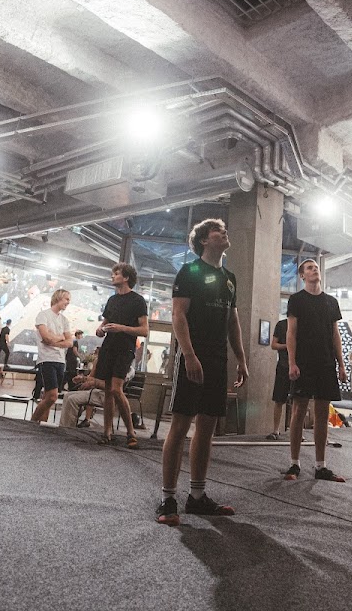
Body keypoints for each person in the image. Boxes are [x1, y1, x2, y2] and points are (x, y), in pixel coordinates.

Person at [156, 219, 248, 525]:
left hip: (218, 359)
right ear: (205, 241)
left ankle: (196, 497)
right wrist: (190, 355)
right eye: (218, 231)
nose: (224, 233)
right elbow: (178, 316)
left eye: (224, 229)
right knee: (181, 425)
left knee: (207, 429)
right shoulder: (190, 271)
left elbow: (232, 321)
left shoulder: (230, 277)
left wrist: (242, 359)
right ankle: (168, 498)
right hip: (193, 358)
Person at [283, 259, 347, 483]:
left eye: (316, 267)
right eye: (309, 268)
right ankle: (294, 463)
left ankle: (321, 466)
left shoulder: (331, 302)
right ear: (302, 275)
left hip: (326, 363)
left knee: (322, 414)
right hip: (304, 362)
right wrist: (292, 362)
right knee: (298, 412)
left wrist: (341, 363)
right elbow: (291, 333)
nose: (314, 270)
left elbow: (335, 334)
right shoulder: (296, 300)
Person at [94, 262, 149, 448]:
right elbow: (105, 322)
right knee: (109, 390)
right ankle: (107, 432)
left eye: (116, 273)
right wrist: (101, 330)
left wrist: (121, 328)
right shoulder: (112, 300)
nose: (112, 276)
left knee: (117, 389)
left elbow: (145, 330)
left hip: (125, 348)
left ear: (126, 278)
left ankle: (131, 432)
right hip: (109, 346)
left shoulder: (138, 301)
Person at [30, 290, 72, 423]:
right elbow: (46, 337)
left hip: (60, 361)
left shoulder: (64, 320)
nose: (68, 302)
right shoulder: (43, 315)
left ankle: (42, 425)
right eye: (66, 299)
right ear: (58, 298)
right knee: (52, 397)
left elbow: (69, 342)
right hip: (47, 360)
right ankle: (31, 422)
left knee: (48, 396)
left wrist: (55, 340)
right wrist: (61, 338)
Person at [59, 359, 135, 429]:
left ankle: (68, 429)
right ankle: (63, 427)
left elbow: (113, 387)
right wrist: (83, 379)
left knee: (72, 400)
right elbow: (99, 380)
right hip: (97, 392)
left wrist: (94, 383)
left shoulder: (127, 371)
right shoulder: (113, 365)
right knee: (67, 396)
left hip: (108, 396)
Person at [266, 315, 290, 440]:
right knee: (279, 399)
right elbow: (274, 345)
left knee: (299, 401)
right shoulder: (281, 325)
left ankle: (296, 431)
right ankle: (275, 430)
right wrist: (287, 345)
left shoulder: (302, 325)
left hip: (298, 365)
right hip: (283, 365)